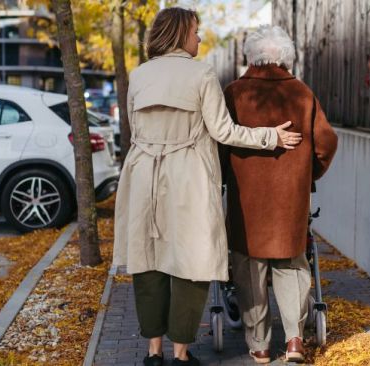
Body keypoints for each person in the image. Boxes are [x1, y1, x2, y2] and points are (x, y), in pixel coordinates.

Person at [112, 8, 303, 366]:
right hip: (188, 178)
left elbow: (134, 132)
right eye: (196, 32)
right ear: (181, 33)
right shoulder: (201, 74)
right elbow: (224, 131)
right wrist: (270, 137)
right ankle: (181, 353)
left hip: (141, 176)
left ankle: (153, 353)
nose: (199, 38)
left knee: (147, 261)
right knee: (193, 260)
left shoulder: (138, 76)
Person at [222, 25, 338, 364]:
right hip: (291, 198)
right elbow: (327, 142)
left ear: (251, 55)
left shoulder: (235, 93)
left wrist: (227, 174)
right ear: (285, 57)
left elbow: (220, 139)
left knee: (248, 267)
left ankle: (258, 345)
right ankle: (294, 341)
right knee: (293, 264)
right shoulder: (302, 94)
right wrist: (307, 174)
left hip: (247, 200)